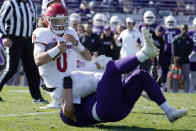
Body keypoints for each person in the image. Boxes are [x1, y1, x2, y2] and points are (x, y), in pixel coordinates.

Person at [60, 28, 187, 126]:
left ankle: (169, 111)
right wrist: (66, 85)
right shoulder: (65, 101)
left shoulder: (75, 88)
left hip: (118, 108)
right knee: (111, 68)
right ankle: (144, 54)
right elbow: (67, 113)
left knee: (140, 75)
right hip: (103, 109)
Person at [33, 3, 92, 109]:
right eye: (56, 21)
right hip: (54, 84)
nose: (60, 25)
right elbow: (38, 60)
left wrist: (76, 44)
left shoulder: (71, 32)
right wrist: (57, 49)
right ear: (48, 20)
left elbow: (88, 57)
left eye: (63, 21)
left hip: (70, 82)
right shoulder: (41, 33)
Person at [0, 0, 47, 103]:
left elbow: (34, 22)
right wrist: (4, 36)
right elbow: (1, 20)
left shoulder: (31, 4)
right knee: (11, 69)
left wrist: (35, 39)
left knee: (32, 69)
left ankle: (37, 97)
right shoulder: (10, 3)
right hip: (14, 40)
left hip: (29, 40)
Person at [171, 24, 193, 93]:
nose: (184, 30)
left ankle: (186, 93)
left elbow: (189, 51)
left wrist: (182, 57)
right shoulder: (176, 39)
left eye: (186, 29)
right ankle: (175, 93)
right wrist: (175, 59)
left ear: (187, 30)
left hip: (186, 62)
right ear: (181, 29)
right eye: (183, 28)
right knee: (175, 78)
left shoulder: (189, 40)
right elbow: (173, 50)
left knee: (186, 78)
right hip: (177, 63)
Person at [162, 16, 180, 91]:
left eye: (171, 22)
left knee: (175, 72)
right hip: (166, 55)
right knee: (164, 71)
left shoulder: (177, 31)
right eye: (169, 22)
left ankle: (173, 88)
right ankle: (164, 87)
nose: (170, 24)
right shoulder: (164, 30)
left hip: (174, 55)